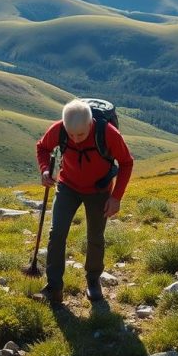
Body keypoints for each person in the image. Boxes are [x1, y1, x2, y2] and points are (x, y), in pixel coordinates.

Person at [34, 100, 134, 305]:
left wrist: (116, 197)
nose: (75, 139)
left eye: (80, 134)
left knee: (95, 237)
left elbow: (126, 162)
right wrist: (45, 169)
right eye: (71, 135)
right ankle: (54, 287)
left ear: (90, 125)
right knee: (56, 233)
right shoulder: (59, 129)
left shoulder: (108, 133)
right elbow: (42, 147)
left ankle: (93, 281)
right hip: (67, 186)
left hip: (99, 190)